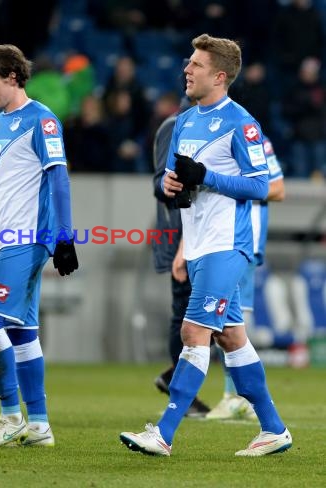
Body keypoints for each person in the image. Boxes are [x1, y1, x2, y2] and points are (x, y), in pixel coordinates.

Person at [120, 33, 292, 457]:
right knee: (232, 338)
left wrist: (207, 178)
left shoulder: (242, 123)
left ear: (219, 76)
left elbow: (262, 186)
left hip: (227, 244)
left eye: (195, 65)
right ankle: (274, 429)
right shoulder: (186, 120)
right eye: (187, 63)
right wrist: (172, 183)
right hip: (195, 243)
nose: (186, 70)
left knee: (193, 331)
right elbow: (173, 179)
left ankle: (162, 434)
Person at [0, 44, 78, 447]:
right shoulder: (0, 125)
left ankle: (10, 416)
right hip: (2, 241)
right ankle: (39, 425)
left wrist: (65, 236)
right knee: (23, 333)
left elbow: (59, 179)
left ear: (12, 77)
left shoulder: (42, 120)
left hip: (27, 239)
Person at [207, 136, 285, 420]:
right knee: (226, 323)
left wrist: (228, 185)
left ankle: (237, 396)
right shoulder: (212, 139)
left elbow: (277, 189)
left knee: (228, 324)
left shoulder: (257, 142)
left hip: (242, 242)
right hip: (215, 240)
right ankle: (242, 398)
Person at [151, 95, 210, 418]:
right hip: (180, 235)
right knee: (186, 314)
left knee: (212, 319)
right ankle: (181, 392)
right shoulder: (174, 126)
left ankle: (175, 380)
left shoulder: (215, 125)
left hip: (209, 234)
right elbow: (160, 183)